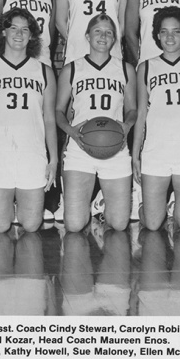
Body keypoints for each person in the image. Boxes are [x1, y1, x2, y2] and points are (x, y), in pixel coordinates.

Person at [0, 8, 58, 232]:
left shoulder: (44, 71)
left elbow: (50, 119)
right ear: (3, 32)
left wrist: (53, 160)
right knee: (0, 227)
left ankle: (16, 202)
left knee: (31, 225)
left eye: (25, 29)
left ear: (31, 36)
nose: (19, 34)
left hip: (32, 153)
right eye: (13, 28)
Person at [56, 13, 138, 232]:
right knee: (74, 225)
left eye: (109, 33)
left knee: (119, 225)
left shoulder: (125, 69)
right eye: (98, 31)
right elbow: (57, 111)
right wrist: (70, 131)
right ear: (87, 36)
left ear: (114, 39)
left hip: (115, 147)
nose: (103, 36)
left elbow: (132, 109)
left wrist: (127, 125)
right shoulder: (72, 69)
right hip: (80, 146)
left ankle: (101, 202)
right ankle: (87, 203)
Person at [133, 7, 180, 232]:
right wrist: (135, 155)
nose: (170, 37)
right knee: (153, 224)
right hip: (156, 150)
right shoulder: (145, 67)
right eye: (164, 32)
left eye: (176, 31)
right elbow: (141, 114)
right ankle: (144, 203)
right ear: (157, 35)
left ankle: (178, 203)